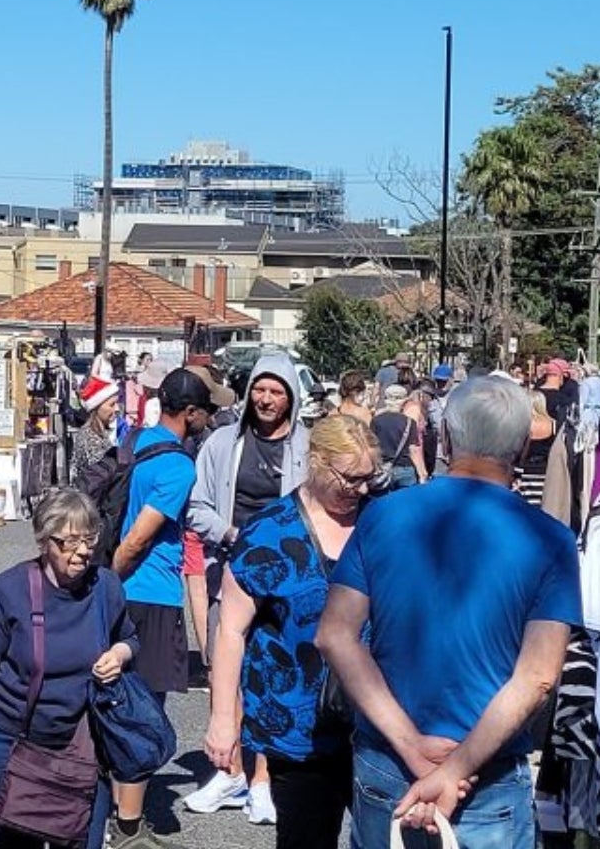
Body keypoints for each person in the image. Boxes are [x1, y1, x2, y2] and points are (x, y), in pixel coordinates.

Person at [317, 375, 581, 849]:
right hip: (486, 772)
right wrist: (454, 768)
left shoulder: (381, 515)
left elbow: (336, 635)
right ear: (522, 446)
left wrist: (411, 746)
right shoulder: (549, 539)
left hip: (388, 760)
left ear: (447, 438)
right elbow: (539, 675)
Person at [204, 415, 381, 849]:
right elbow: (230, 631)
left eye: (368, 478)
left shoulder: (383, 521)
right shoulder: (269, 531)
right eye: (349, 478)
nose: (359, 489)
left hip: (378, 720)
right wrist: (223, 719)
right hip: (296, 725)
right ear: (315, 462)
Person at [0, 490, 136, 849]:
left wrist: (118, 655)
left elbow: (130, 638)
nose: (83, 551)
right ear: (45, 541)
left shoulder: (105, 586)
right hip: (11, 741)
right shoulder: (8, 591)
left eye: (90, 538)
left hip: (82, 743)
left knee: (85, 839)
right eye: (70, 541)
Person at [182, 352, 311, 821]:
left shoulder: (306, 446)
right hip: (231, 565)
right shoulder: (221, 443)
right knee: (226, 670)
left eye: (277, 392)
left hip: (284, 578)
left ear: (292, 398)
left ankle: (263, 780)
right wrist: (231, 534)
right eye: (261, 389)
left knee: (274, 673)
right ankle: (231, 771)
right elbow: (194, 506)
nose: (267, 399)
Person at [108, 367, 212, 847]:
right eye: (204, 411)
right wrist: (114, 573)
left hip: (129, 593)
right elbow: (139, 536)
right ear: (188, 412)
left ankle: (118, 812)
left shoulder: (138, 439)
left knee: (119, 703)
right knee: (143, 711)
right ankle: (128, 826)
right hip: (149, 593)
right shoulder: (179, 467)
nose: (207, 418)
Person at [370, 384, 426, 492]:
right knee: (406, 505)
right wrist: (422, 474)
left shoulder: (376, 420)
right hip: (405, 469)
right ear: (404, 401)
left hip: (383, 469)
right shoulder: (410, 422)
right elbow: (414, 450)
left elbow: (372, 446)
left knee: (384, 504)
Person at [69, 376, 119, 488]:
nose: (117, 409)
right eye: (111, 404)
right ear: (97, 408)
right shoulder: (90, 437)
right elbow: (100, 476)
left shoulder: (99, 433)